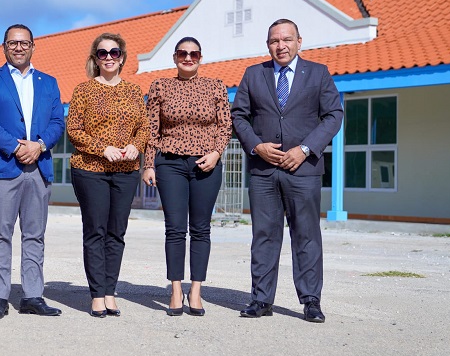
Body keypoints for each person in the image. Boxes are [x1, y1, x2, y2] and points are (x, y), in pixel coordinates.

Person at [231, 18, 343, 323]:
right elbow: (239, 116)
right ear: (268, 45)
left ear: (299, 41)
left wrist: (305, 149)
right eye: (274, 41)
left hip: (303, 170)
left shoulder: (318, 74)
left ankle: (310, 301)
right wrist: (256, 146)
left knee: (306, 236)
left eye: (286, 39)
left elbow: (333, 115)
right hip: (264, 172)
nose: (280, 46)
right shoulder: (254, 74)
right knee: (264, 235)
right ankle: (261, 299)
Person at [0, 24, 65, 319]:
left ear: (33, 46)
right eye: (12, 43)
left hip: (39, 167)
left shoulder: (49, 82)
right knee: (1, 234)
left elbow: (57, 122)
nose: (18, 47)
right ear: (4, 46)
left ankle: (32, 296)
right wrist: (15, 147)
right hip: (4, 167)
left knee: (34, 235)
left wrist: (39, 146)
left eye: (24, 43)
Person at [142, 37, 231, 317]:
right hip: (170, 164)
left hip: (207, 164)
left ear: (201, 57)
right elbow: (151, 129)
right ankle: (176, 289)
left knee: (202, 229)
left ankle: (196, 291)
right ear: (175, 56)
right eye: (183, 53)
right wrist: (148, 165)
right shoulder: (160, 86)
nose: (188, 58)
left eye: (194, 54)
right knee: (175, 228)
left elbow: (225, 124)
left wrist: (216, 153)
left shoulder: (216, 86)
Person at [67, 33, 148, 318]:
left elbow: (145, 127)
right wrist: (104, 149)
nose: (109, 57)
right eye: (103, 53)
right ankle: (96, 294)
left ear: (122, 57)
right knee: (95, 231)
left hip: (126, 171)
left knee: (117, 232)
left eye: (115, 52)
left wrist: (135, 147)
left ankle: (111, 292)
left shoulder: (135, 91)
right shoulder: (83, 90)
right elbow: (74, 130)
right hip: (91, 170)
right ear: (95, 59)